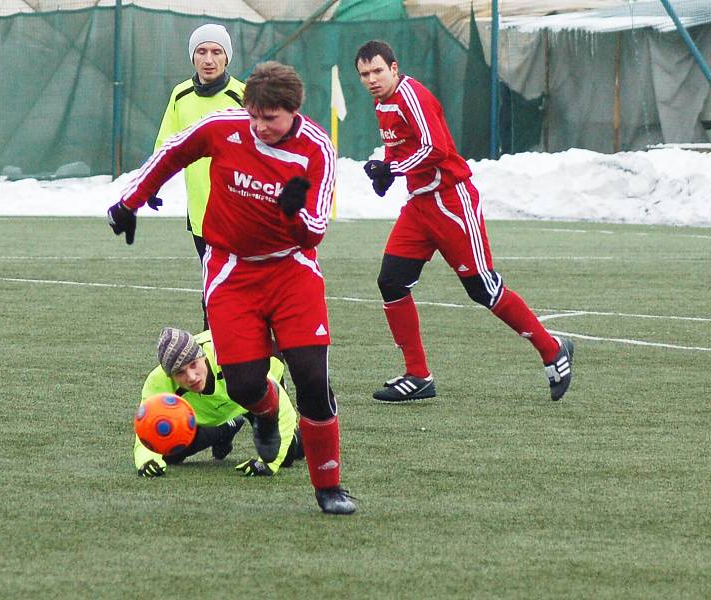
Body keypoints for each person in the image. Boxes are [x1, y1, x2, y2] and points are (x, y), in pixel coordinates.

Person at [108, 62, 356, 515]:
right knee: (243, 383)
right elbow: (173, 152)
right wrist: (130, 202)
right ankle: (262, 414)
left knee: (312, 380)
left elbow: (315, 230)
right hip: (230, 271)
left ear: (294, 111)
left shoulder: (317, 147)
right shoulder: (226, 127)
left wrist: (292, 211)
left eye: (271, 119)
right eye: (255, 116)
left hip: (291, 271)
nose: (260, 127)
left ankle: (329, 487)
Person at [354, 40, 574, 403]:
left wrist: (392, 168)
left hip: (451, 202)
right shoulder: (383, 102)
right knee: (391, 281)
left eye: (378, 71)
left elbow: (436, 149)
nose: (372, 79)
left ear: (394, 68)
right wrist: (386, 173)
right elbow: (403, 147)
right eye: (365, 74)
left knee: (483, 288)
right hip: (420, 206)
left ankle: (553, 350)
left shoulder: (413, 95)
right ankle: (418, 375)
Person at [152, 23, 245, 328]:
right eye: (202, 51)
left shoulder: (242, 95)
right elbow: (167, 143)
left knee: (245, 291)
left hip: (242, 215)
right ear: (193, 57)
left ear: (226, 58)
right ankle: (215, 363)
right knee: (212, 293)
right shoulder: (181, 95)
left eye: (216, 51)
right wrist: (153, 182)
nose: (209, 58)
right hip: (202, 215)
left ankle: (268, 360)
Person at [135, 327, 303, 478]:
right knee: (170, 451)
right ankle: (227, 427)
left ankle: (311, 430)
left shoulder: (231, 356)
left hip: (258, 385)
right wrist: (147, 459)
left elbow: (283, 409)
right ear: (169, 376)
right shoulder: (158, 381)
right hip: (221, 405)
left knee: (287, 456)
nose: (191, 377)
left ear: (201, 355)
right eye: (180, 373)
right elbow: (148, 426)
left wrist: (268, 464)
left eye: (193, 365)